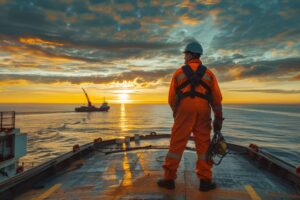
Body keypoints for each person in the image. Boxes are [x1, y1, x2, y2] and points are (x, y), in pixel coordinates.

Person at [157, 41, 223, 192]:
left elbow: (171, 98)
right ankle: (205, 181)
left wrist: (177, 112)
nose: (184, 57)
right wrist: (218, 118)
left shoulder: (179, 73)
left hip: (184, 110)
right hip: (203, 111)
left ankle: (169, 179)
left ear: (191, 54)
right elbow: (216, 99)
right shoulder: (209, 74)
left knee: (176, 144)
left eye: (186, 54)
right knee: (204, 145)